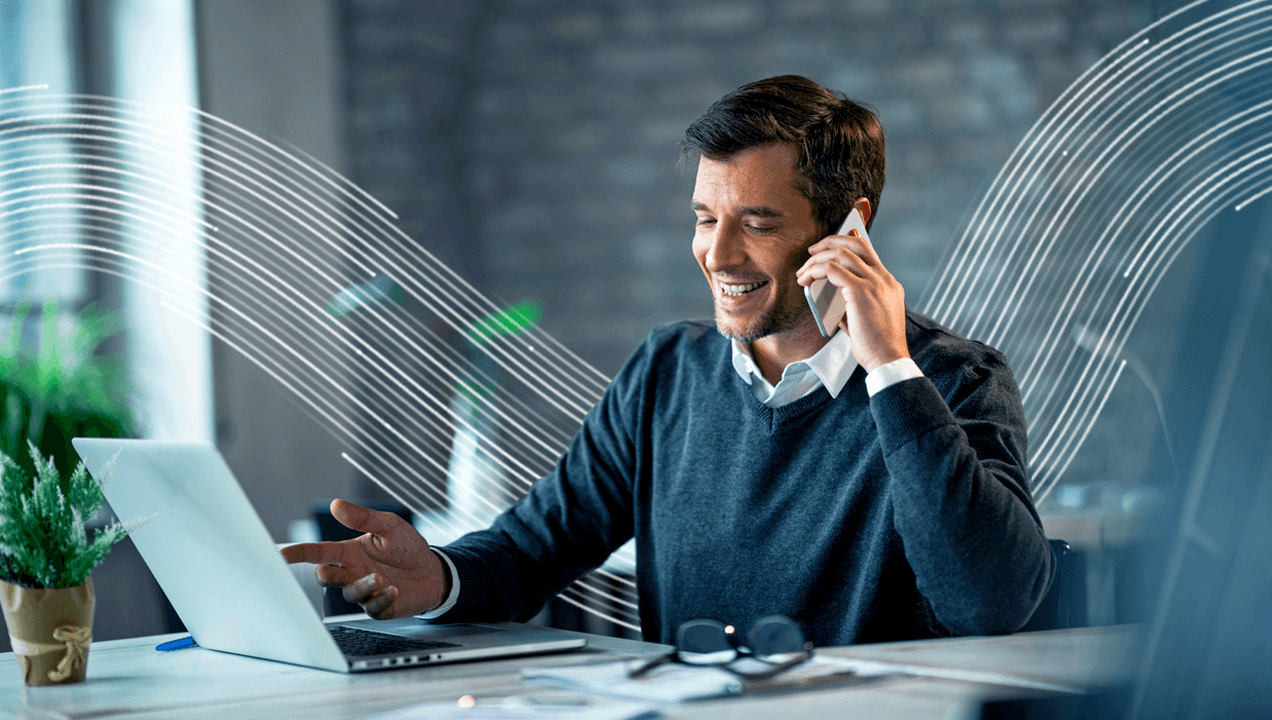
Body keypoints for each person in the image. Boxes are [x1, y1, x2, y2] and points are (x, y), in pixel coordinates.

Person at [282, 75, 1053, 647]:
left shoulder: (951, 379)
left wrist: (888, 367)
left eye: (755, 222)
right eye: (705, 218)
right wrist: (440, 578)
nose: (716, 254)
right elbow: (533, 546)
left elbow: (988, 604)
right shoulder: (665, 373)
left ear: (850, 227)